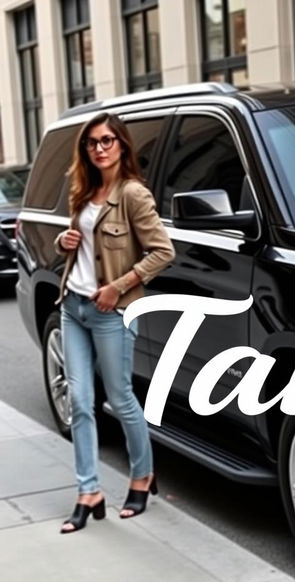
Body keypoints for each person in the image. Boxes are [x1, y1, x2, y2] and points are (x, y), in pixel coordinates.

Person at [54, 112, 175, 533]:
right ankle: (88, 491)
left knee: (121, 399)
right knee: (80, 402)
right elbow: (81, 245)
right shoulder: (83, 191)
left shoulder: (133, 194)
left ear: (122, 145)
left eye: (108, 141)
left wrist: (117, 287)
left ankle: (142, 475)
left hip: (111, 311)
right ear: (85, 149)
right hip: (74, 306)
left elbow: (162, 252)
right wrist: (64, 241)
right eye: (92, 142)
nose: (100, 148)